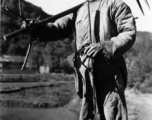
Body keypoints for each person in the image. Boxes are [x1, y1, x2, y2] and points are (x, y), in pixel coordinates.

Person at [22, 0, 136, 119]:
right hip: (86, 75)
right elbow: (57, 29)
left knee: (112, 112)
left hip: (110, 73)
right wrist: (36, 29)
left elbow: (129, 32)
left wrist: (104, 46)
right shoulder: (78, 10)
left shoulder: (116, 5)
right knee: (89, 114)